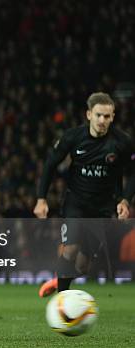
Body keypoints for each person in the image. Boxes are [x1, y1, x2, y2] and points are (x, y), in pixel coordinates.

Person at [34, 92, 135, 297]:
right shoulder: (73, 137)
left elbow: (133, 172)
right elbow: (50, 164)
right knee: (70, 248)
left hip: (103, 207)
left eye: (107, 116)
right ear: (88, 114)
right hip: (75, 202)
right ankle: (62, 302)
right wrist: (41, 198)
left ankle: (59, 280)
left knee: (83, 266)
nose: (102, 120)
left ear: (113, 117)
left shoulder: (122, 142)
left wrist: (125, 200)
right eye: (98, 115)